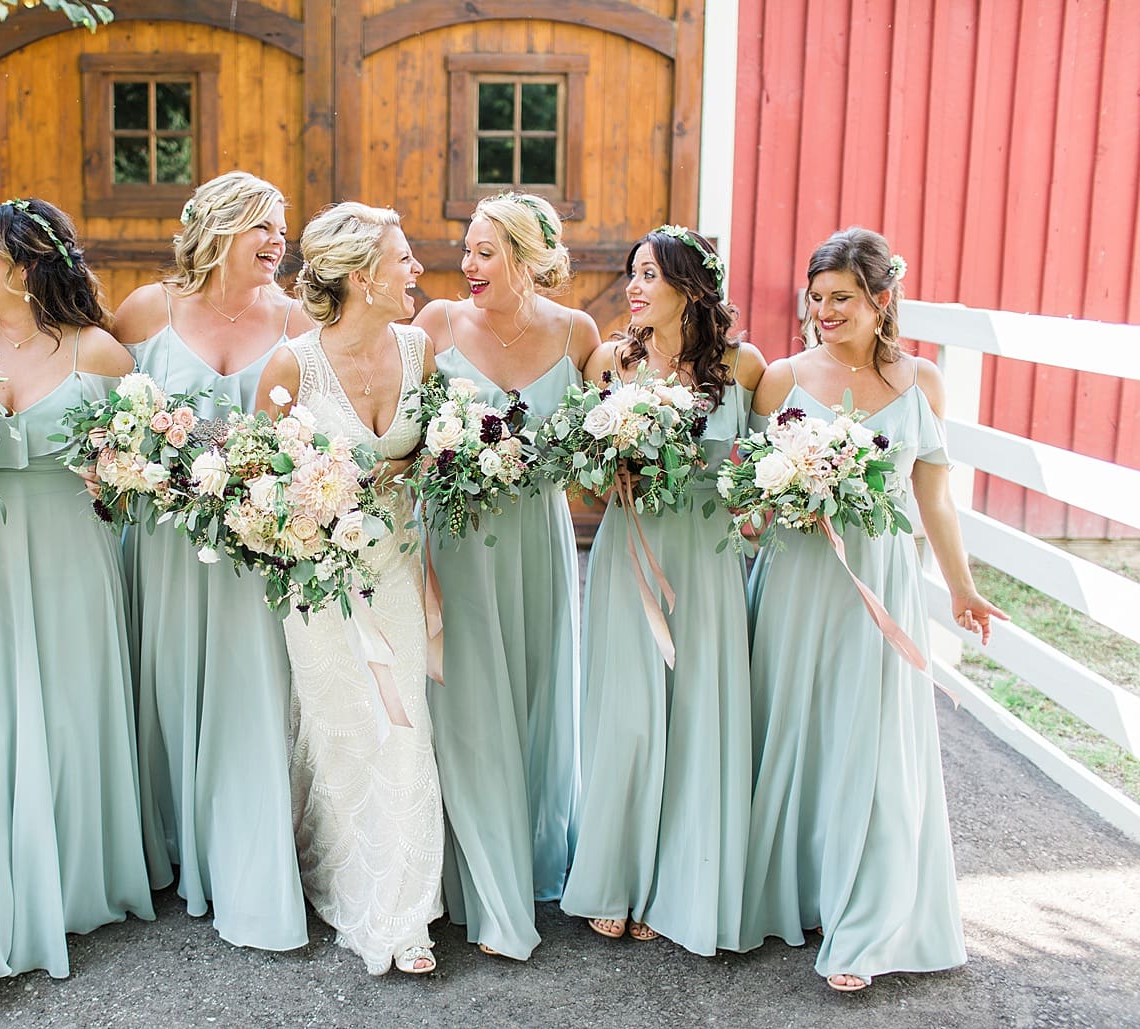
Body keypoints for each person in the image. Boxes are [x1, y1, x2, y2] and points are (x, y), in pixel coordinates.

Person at [737, 227, 1005, 991]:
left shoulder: (921, 381)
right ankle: (793, 891)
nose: (824, 310)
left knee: (871, 737)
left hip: (878, 580)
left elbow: (935, 498)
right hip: (797, 577)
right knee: (793, 723)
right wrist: (772, 497)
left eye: (841, 298)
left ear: (880, 299)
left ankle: (866, 919)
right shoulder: (780, 378)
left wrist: (960, 587)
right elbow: (750, 495)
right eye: (816, 298)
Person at [0, 198, 152, 985]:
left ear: (24, 262)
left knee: (66, 721)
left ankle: (72, 879)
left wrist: (114, 478)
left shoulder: (102, 355)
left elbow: (131, 481)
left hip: (71, 556)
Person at [112, 171, 308, 951]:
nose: (277, 242)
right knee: (164, 679)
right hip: (164, 544)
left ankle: (246, 849)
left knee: (252, 689)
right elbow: (97, 412)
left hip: (256, 549)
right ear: (219, 229)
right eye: (263, 226)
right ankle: (164, 841)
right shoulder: (143, 311)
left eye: (282, 228)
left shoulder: (296, 319)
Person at [559, 226, 766, 957]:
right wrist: (609, 462)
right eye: (631, 273)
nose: (634, 287)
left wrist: (761, 508)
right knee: (630, 711)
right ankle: (618, 875)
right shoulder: (612, 362)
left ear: (690, 286)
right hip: (630, 548)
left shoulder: (743, 366)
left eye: (649, 274)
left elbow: (762, 477)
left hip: (704, 557)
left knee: (696, 711)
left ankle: (676, 880)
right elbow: (582, 481)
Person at [254, 203, 444, 975]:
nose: (416, 273)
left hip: (396, 567)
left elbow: (430, 452)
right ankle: (340, 876)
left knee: (403, 731)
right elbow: (258, 492)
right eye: (403, 260)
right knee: (337, 727)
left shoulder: (420, 348)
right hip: (323, 583)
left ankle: (402, 914)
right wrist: (318, 509)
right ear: (363, 276)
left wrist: (402, 470)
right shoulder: (291, 366)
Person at [411, 192, 597, 960]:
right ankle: (477, 887)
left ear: (525, 256)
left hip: (537, 538)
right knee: (466, 699)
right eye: (466, 249)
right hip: (455, 538)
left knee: (531, 690)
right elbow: (404, 431)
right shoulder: (435, 326)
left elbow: (594, 448)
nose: (467, 265)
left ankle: (525, 856)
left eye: (484, 251)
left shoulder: (576, 332)